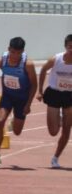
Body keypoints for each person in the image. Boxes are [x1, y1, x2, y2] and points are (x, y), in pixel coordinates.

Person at [0, 37, 38, 168]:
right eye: (13, 52)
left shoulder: (27, 64)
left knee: (17, 132)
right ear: (8, 49)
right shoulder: (1, 60)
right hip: (7, 96)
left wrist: (28, 104)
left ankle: (14, 120)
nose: (15, 56)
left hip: (22, 99)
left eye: (18, 53)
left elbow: (34, 85)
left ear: (23, 52)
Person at [36, 34, 72, 168]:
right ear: (66, 47)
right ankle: (60, 118)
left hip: (69, 96)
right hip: (54, 93)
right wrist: (39, 90)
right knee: (53, 131)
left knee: (67, 130)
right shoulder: (56, 59)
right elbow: (43, 69)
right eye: (70, 47)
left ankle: (55, 158)